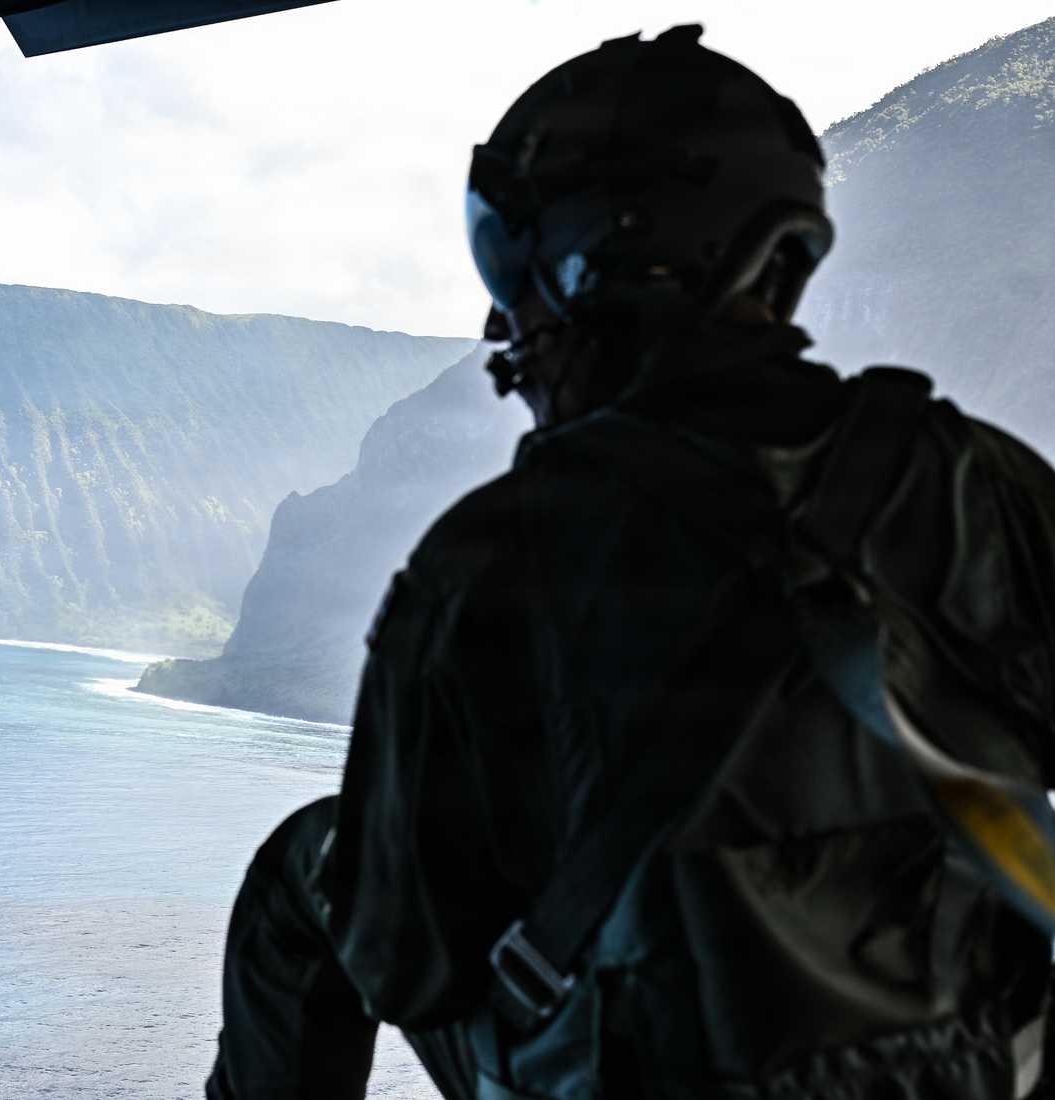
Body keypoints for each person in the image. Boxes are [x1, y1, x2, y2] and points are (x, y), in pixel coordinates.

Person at [206, 24, 1055, 1100]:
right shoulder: (975, 481)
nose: (500, 313)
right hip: (979, 1066)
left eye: (508, 257)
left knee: (308, 869)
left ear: (596, 255)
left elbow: (407, 958)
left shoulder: (488, 561)